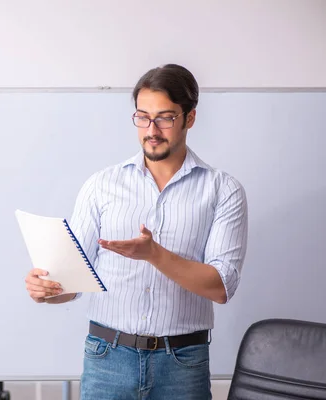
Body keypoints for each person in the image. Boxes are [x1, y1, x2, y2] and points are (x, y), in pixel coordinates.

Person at [24, 63, 248, 399]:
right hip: (107, 358)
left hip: (182, 363)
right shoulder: (102, 185)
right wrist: (48, 289)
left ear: (190, 118)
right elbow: (72, 281)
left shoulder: (222, 190)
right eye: (142, 117)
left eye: (165, 117)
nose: (151, 129)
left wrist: (154, 255)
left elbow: (221, 287)